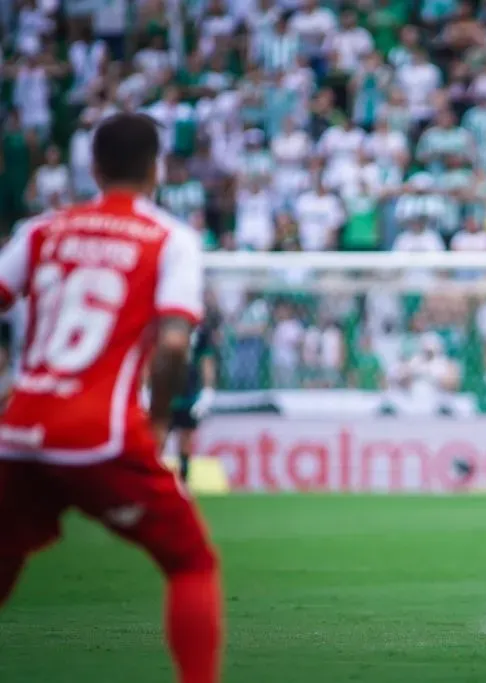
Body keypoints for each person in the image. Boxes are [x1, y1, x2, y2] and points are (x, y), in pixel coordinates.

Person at [0, 113, 223, 683]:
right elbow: (174, 343)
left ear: (93, 167)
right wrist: (155, 422)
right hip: (99, 433)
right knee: (191, 562)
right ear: (156, 170)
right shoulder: (169, 238)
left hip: (19, 431)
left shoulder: (42, 230)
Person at [169, 317, 218, 484]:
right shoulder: (161, 326)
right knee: (157, 437)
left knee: (186, 438)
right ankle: (152, 481)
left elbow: (206, 361)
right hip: (164, 392)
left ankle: (183, 480)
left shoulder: (201, 331)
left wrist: (207, 391)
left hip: (188, 392)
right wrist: (146, 388)